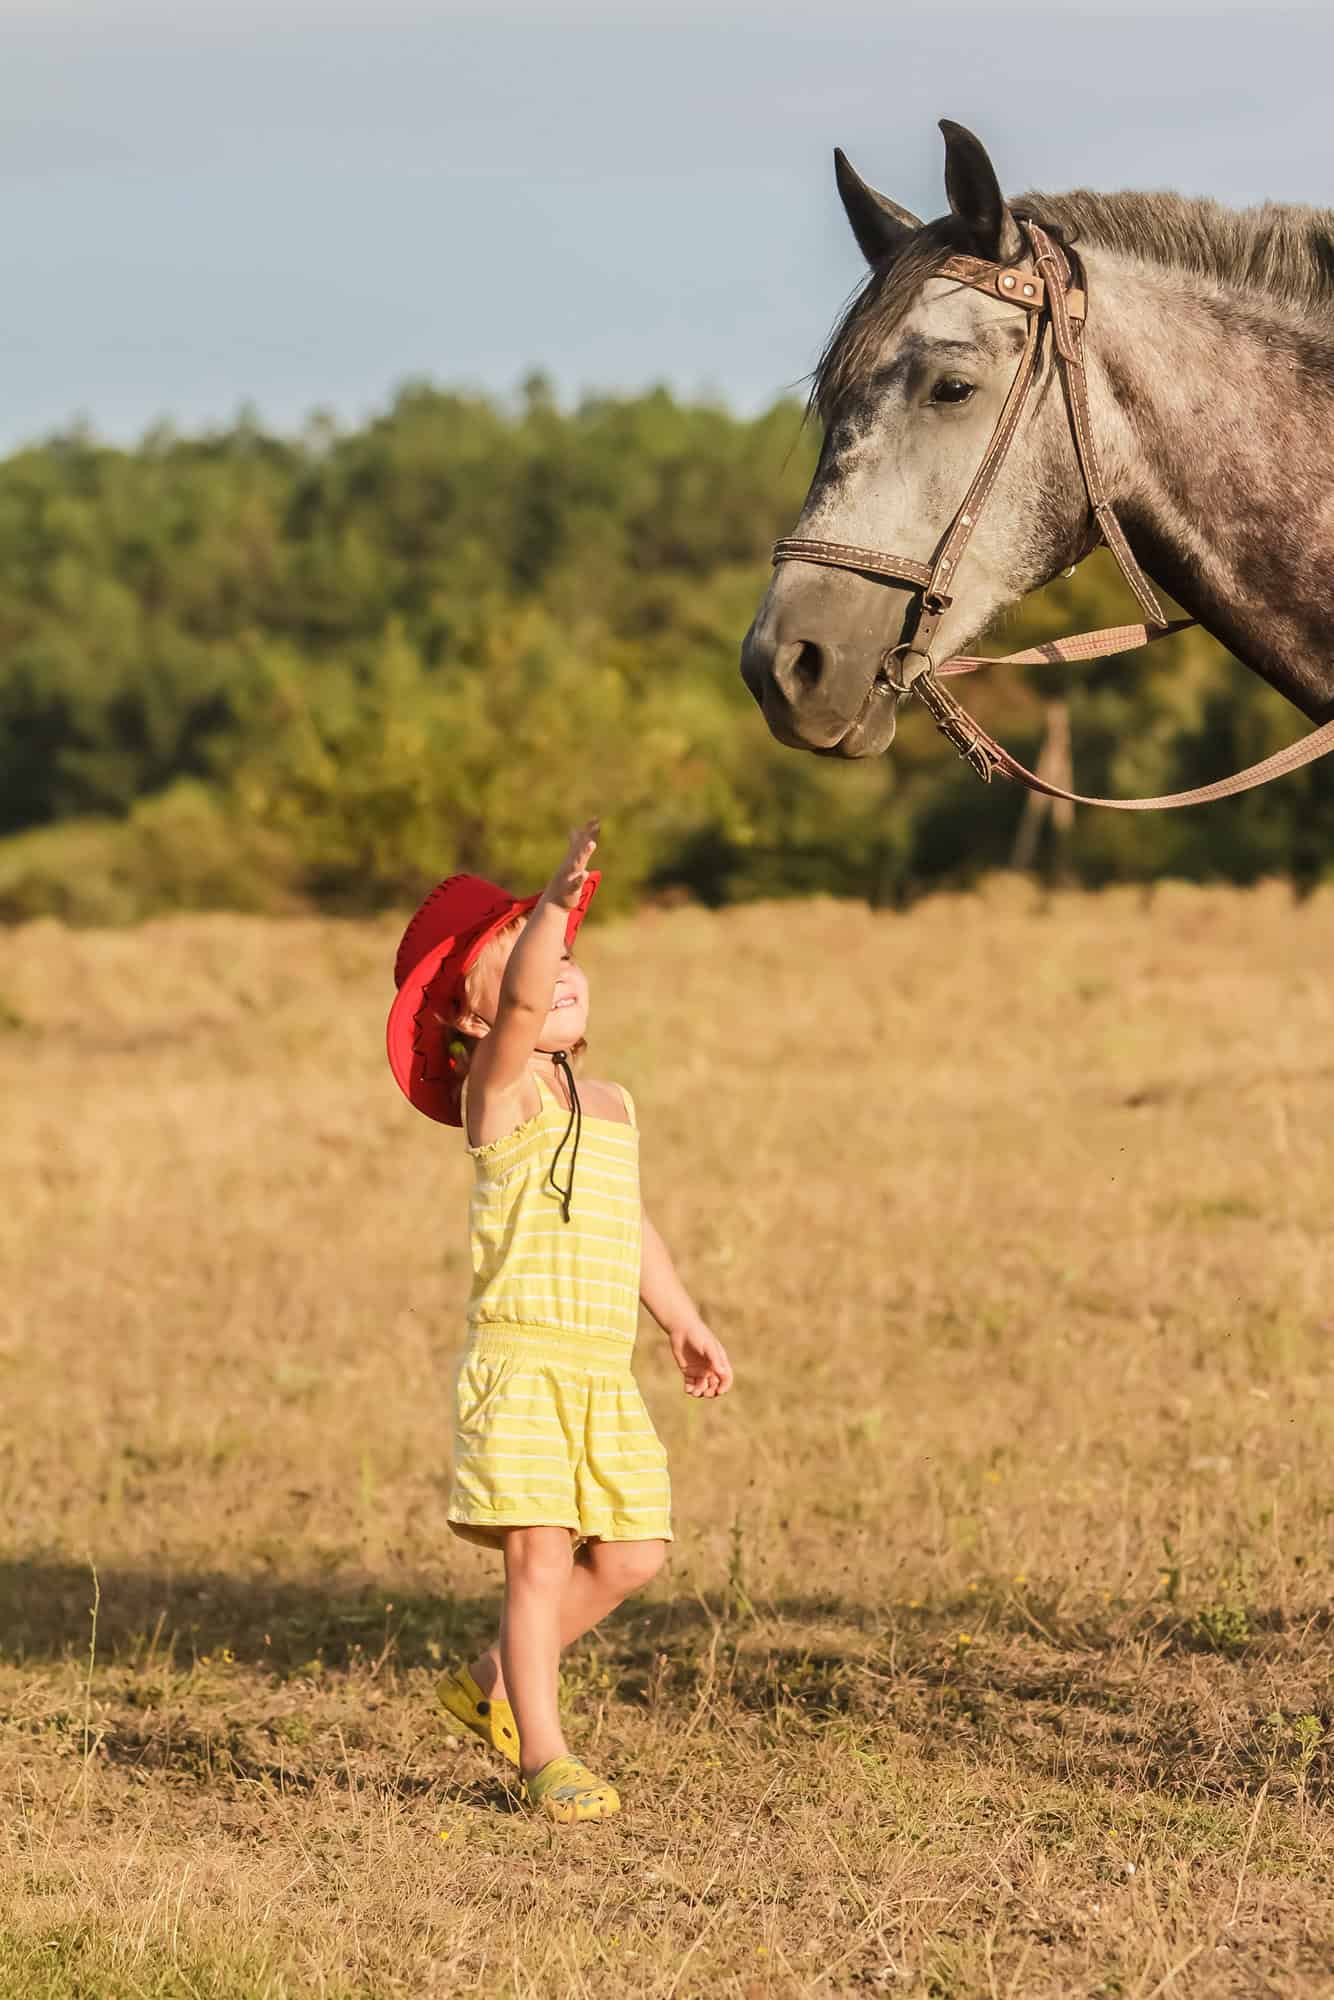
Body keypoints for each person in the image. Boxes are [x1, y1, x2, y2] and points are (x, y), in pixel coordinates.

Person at [386, 820, 733, 1823]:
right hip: (522, 1361)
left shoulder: (611, 1102)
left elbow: (626, 1223)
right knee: (538, 1554)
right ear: (466, 1012)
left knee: (631, 1554)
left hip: (596, 1367)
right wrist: (546, 906)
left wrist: (679, 1317)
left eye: (571, 950)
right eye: (532, 956)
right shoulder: (494, 1093)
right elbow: (524, 1007)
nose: (560, 969)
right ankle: (543, 1754)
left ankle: (495, 1673)